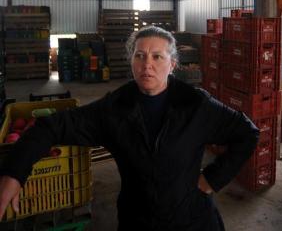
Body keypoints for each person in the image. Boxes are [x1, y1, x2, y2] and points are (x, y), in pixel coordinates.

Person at [0, 26, 259, 230]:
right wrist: (14, 174)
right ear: (131, 62)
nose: (148, 64)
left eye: (157, 56)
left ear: (173, 65)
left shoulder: (196, 105)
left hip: (192, 219)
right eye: (140, 55)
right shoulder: (114, 109)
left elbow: (247, 132)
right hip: (138, 220)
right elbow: (49, 127)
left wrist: (213, 178)